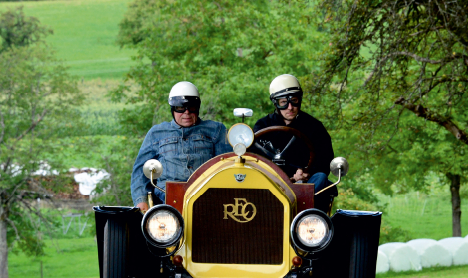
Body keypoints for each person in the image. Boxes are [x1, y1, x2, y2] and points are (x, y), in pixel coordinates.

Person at [131, 81, 232, 212]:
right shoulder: (156, 133)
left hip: (207, 198)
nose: (187, 112)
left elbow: (228, 165)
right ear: (172, 109)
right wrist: (141, 201)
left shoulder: (216, 130)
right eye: (180, 108)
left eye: (192, 107)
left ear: (198, 107)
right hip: (165, 200)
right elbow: (139, 171)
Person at [253, 74, 337, 212]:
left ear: (300, 99)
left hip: (303, 184)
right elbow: (253, 157)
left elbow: (325, 160)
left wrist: (306, 173)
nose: (290, 107)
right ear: (276, 103)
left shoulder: (314, 127)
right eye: (283, 103)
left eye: (294, 101)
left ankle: (302, 215)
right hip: (269, 182)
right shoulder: (262, 126)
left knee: (321, 177)